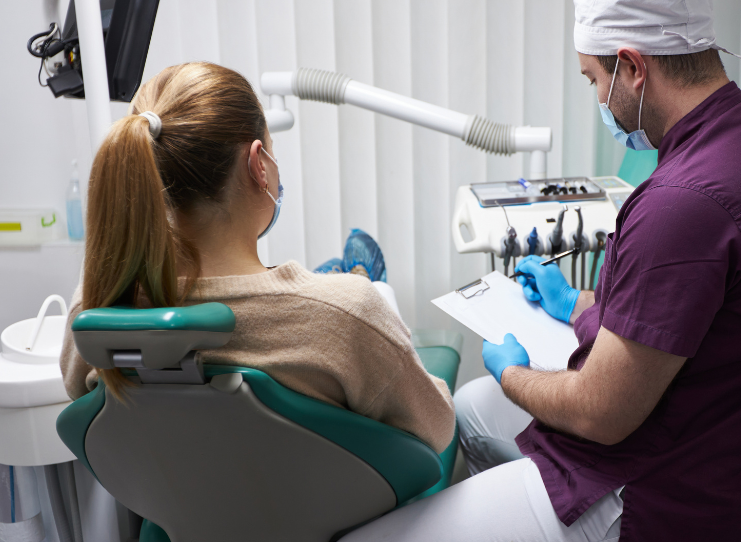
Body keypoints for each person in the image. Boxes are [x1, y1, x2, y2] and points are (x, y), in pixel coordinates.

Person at [328, 0, 741, 542]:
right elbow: (686, 318)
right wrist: (577, 305)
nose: (598, 98)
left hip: (645, 496)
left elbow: (601, 414)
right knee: (470, 409)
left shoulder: (685, 204)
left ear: (633, 67)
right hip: (706, 442)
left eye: (594, 79)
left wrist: (513, 372)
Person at [59, 62, 455, 455]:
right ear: (258, 164)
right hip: (347, 516)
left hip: (188, 515)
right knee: (377, 290)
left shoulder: (97, 313)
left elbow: (85, 397)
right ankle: (352, 271)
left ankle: (342, 270)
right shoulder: (349, 312)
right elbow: (437, 429)